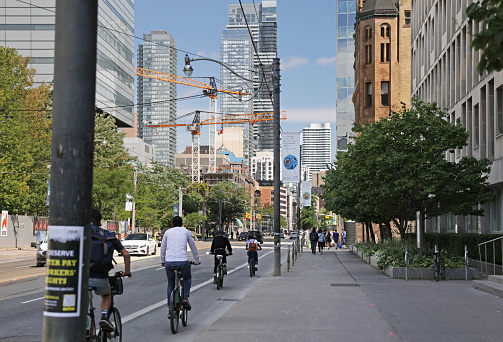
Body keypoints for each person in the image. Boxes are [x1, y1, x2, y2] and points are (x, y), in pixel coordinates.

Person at [89, 209, 131, 331]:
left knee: (81, 296)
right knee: (107, 294)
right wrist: (127, 271)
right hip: (101, 277)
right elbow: (126, 254)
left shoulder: (80, 233)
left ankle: (83, 319)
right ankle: (104, 316)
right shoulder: (110, 235)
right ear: (99, 222)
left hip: (82, 277)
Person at [160, 216, 200, 318]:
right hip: (183, 261)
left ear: (172, 224)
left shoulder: (167, 232)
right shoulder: (186, 232)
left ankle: (170, 308)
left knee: (171, 284)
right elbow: (193, 247)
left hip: (169, 262)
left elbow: (163, 247)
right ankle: (185, 297)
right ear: (182, 224)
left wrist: (162, 261)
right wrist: (196, 260)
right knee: (187, 278)